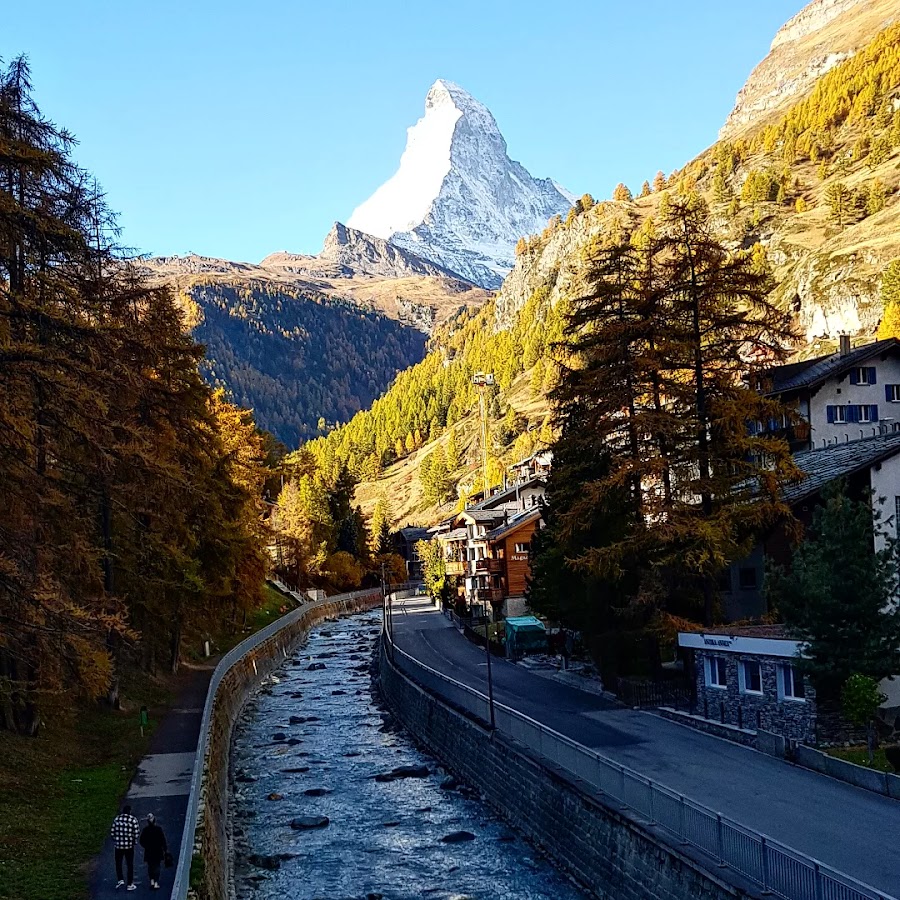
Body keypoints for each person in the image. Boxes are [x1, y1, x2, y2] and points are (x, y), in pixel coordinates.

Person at [110, 804, 140, 891]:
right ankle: (130, 884)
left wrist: (116, 839)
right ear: (129, 811)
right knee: (129, 864)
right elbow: (136, 833)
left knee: (118, 863)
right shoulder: (133, 820)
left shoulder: (117, 819)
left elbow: (112, 832)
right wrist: (133, 840)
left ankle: (120, 879)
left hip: (118, 846)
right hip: (129, 846)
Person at [139, 813, 169, 890]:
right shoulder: (158, 829)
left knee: (150, 866)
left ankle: (152, 881)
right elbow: (163, 840)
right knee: (157, 866)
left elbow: (141, 841)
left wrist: (146, 846)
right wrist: (165, 849)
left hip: (149, 851)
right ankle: (156, 882)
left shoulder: (145, 830)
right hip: (158, 850)